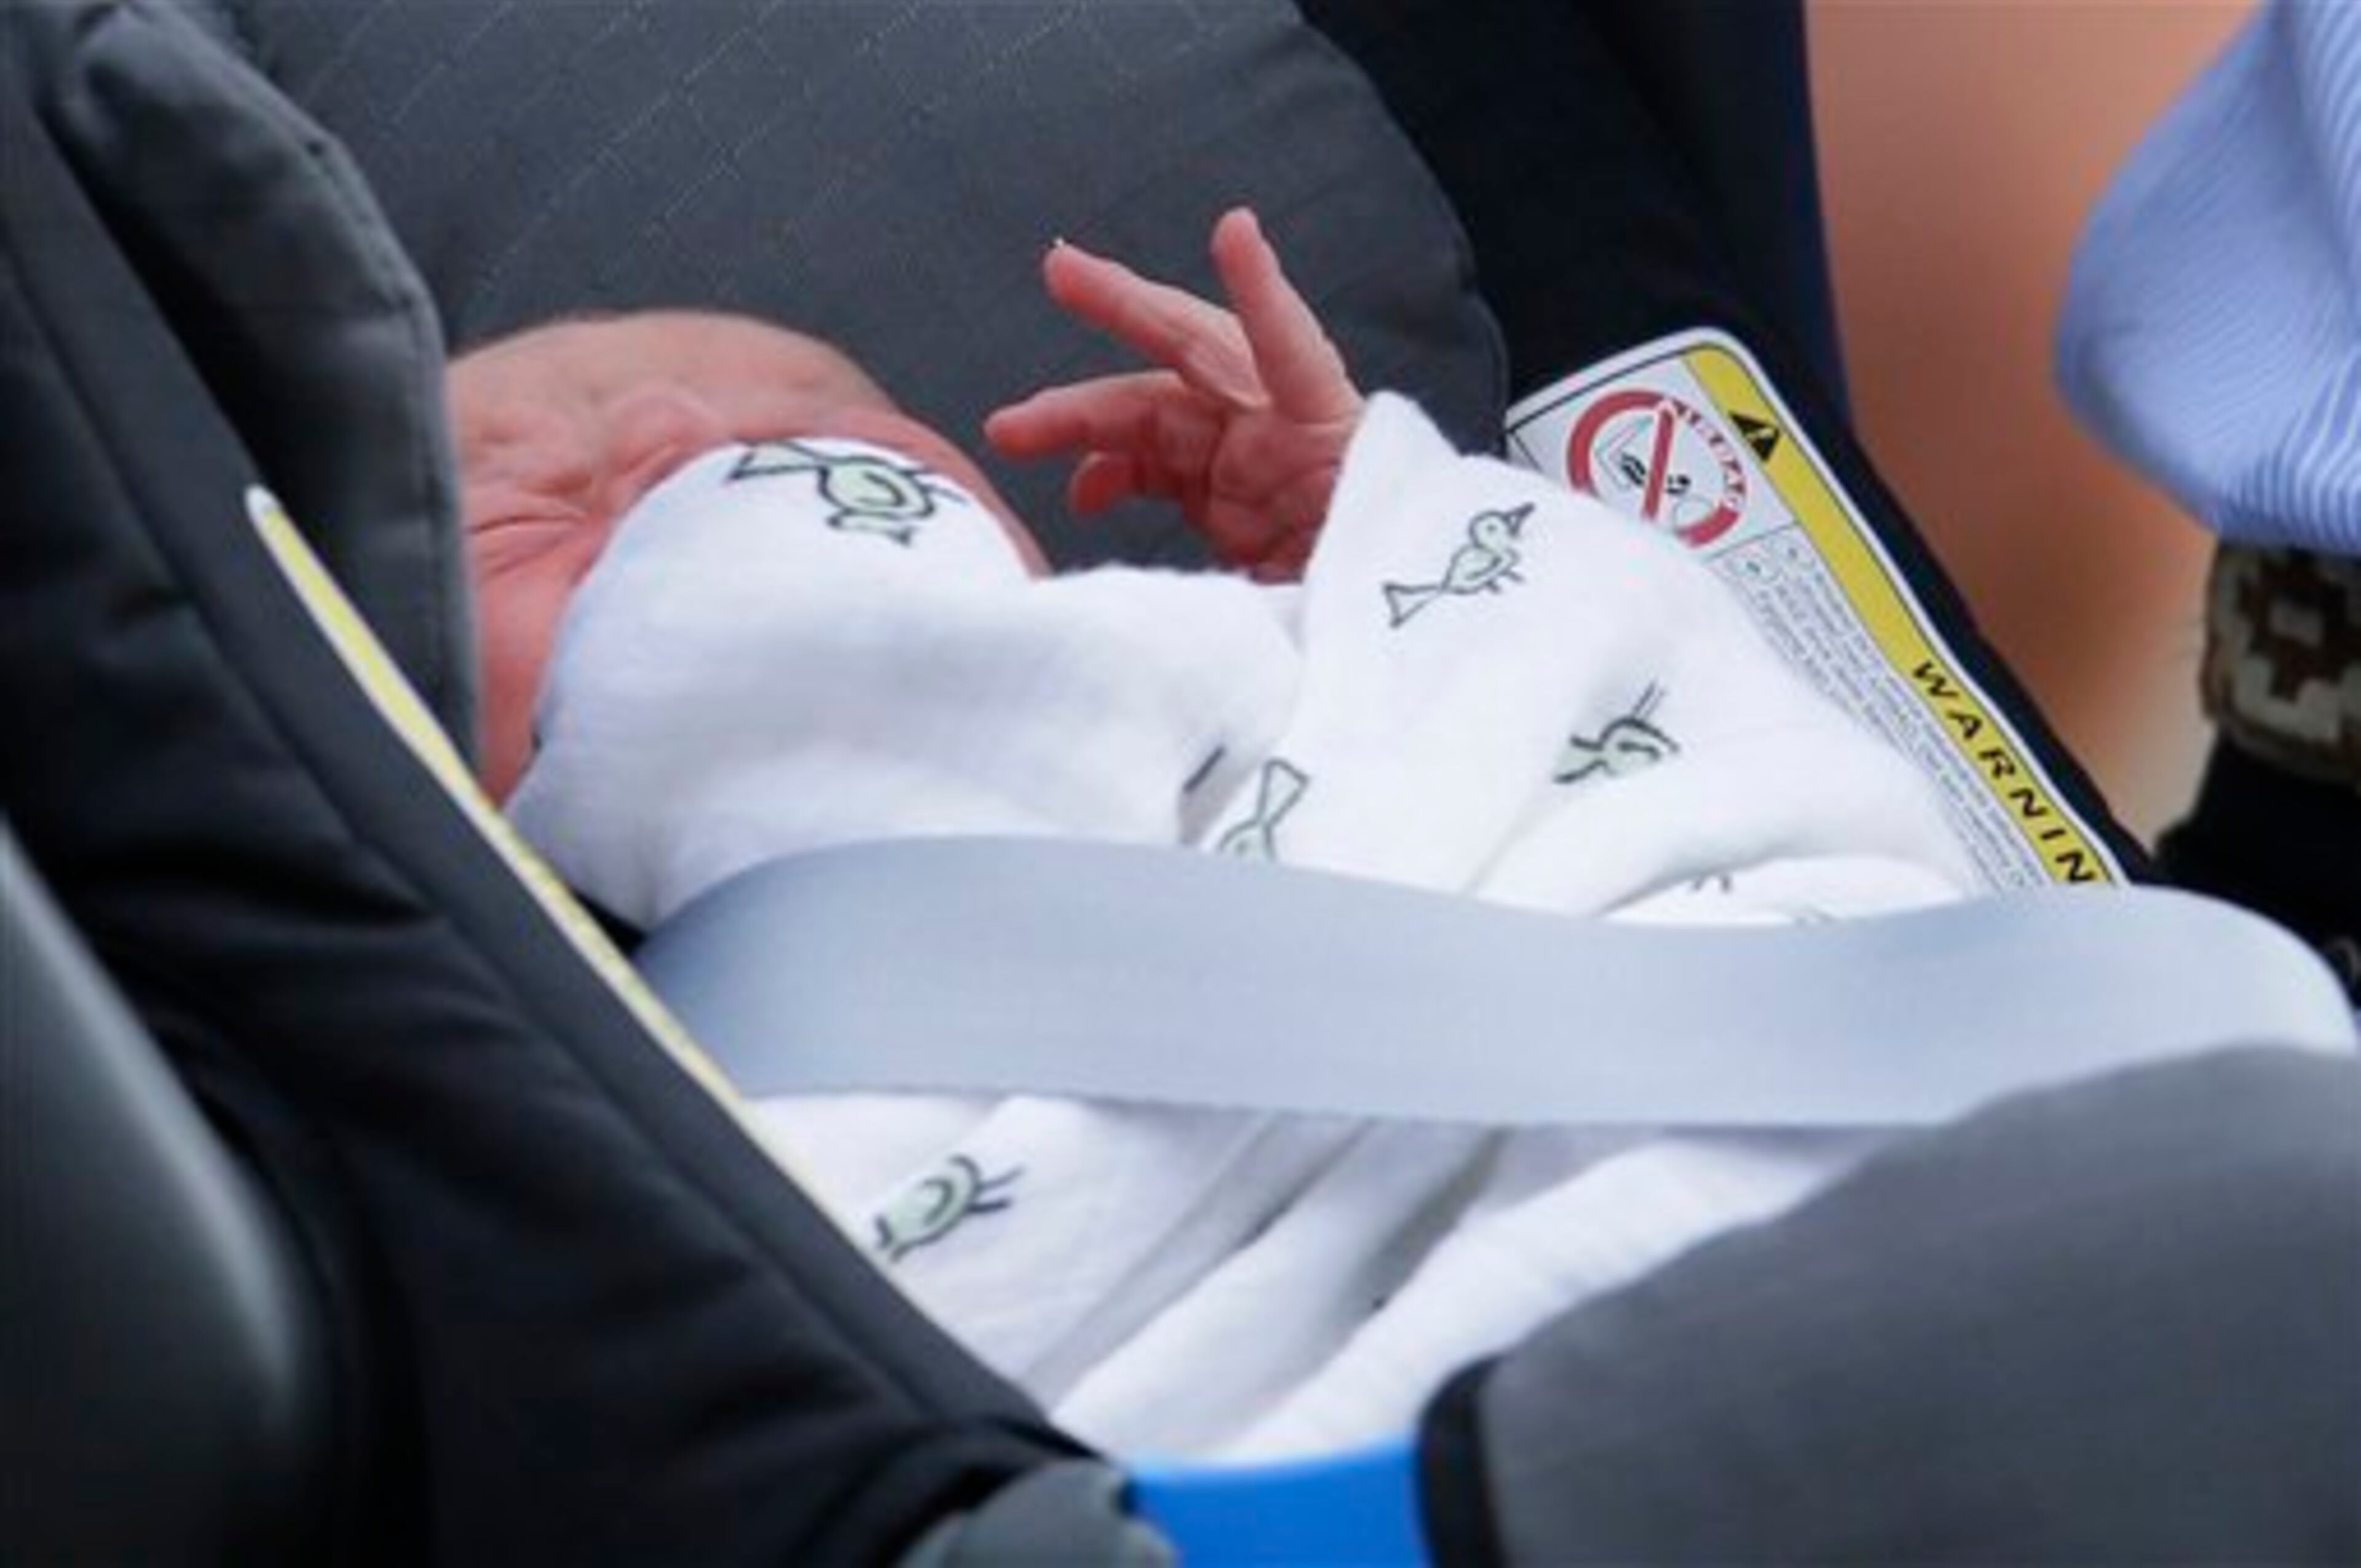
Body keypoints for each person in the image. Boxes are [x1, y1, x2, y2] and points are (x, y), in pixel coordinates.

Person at [452, 206, 1982, 1458]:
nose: (684, 443)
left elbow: (1642, 687)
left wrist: (1381, 534)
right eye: (517, 503)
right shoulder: (510, 1052)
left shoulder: (1310, 677)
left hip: (1803, 1134)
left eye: (827, 432)